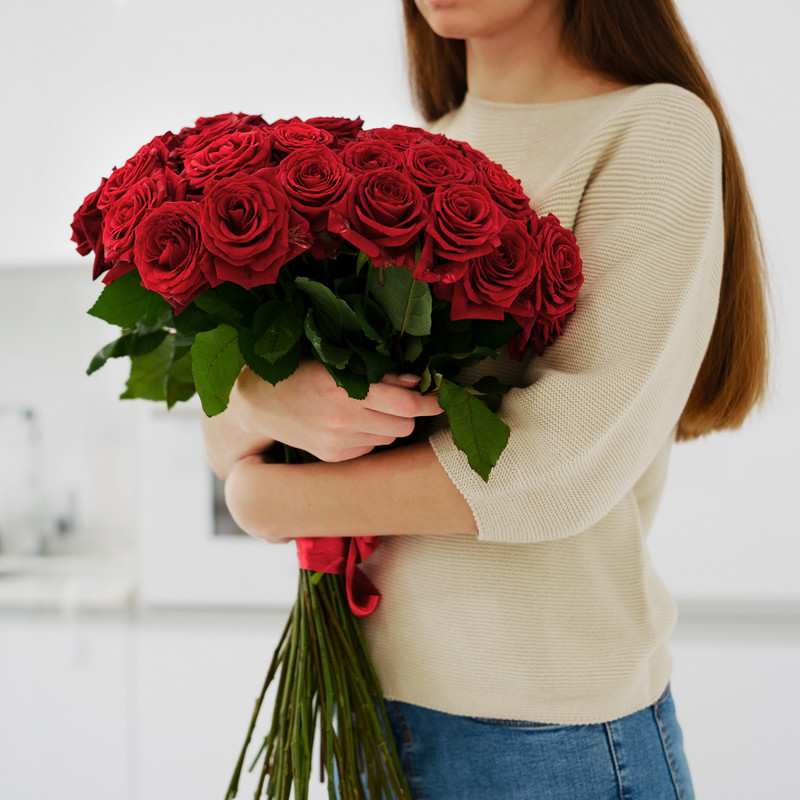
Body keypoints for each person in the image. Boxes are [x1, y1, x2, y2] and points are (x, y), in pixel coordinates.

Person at [202, 0, 769, 797]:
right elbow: (229, 432)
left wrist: (276, 499)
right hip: (367, 708)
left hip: (546, 734)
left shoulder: (653, 127)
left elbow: (563, 464)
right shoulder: (406, 158)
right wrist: (266, 404)